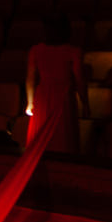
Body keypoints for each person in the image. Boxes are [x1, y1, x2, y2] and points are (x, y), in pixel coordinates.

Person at [25, 11, 86, 153]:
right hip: (63, 96)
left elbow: (30, 80)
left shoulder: (36, 50)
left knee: (41, 142)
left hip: (44, 96)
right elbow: (79, 79)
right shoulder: (73, 51)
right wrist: (85, 102)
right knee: (63, 138)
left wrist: (30, 103)